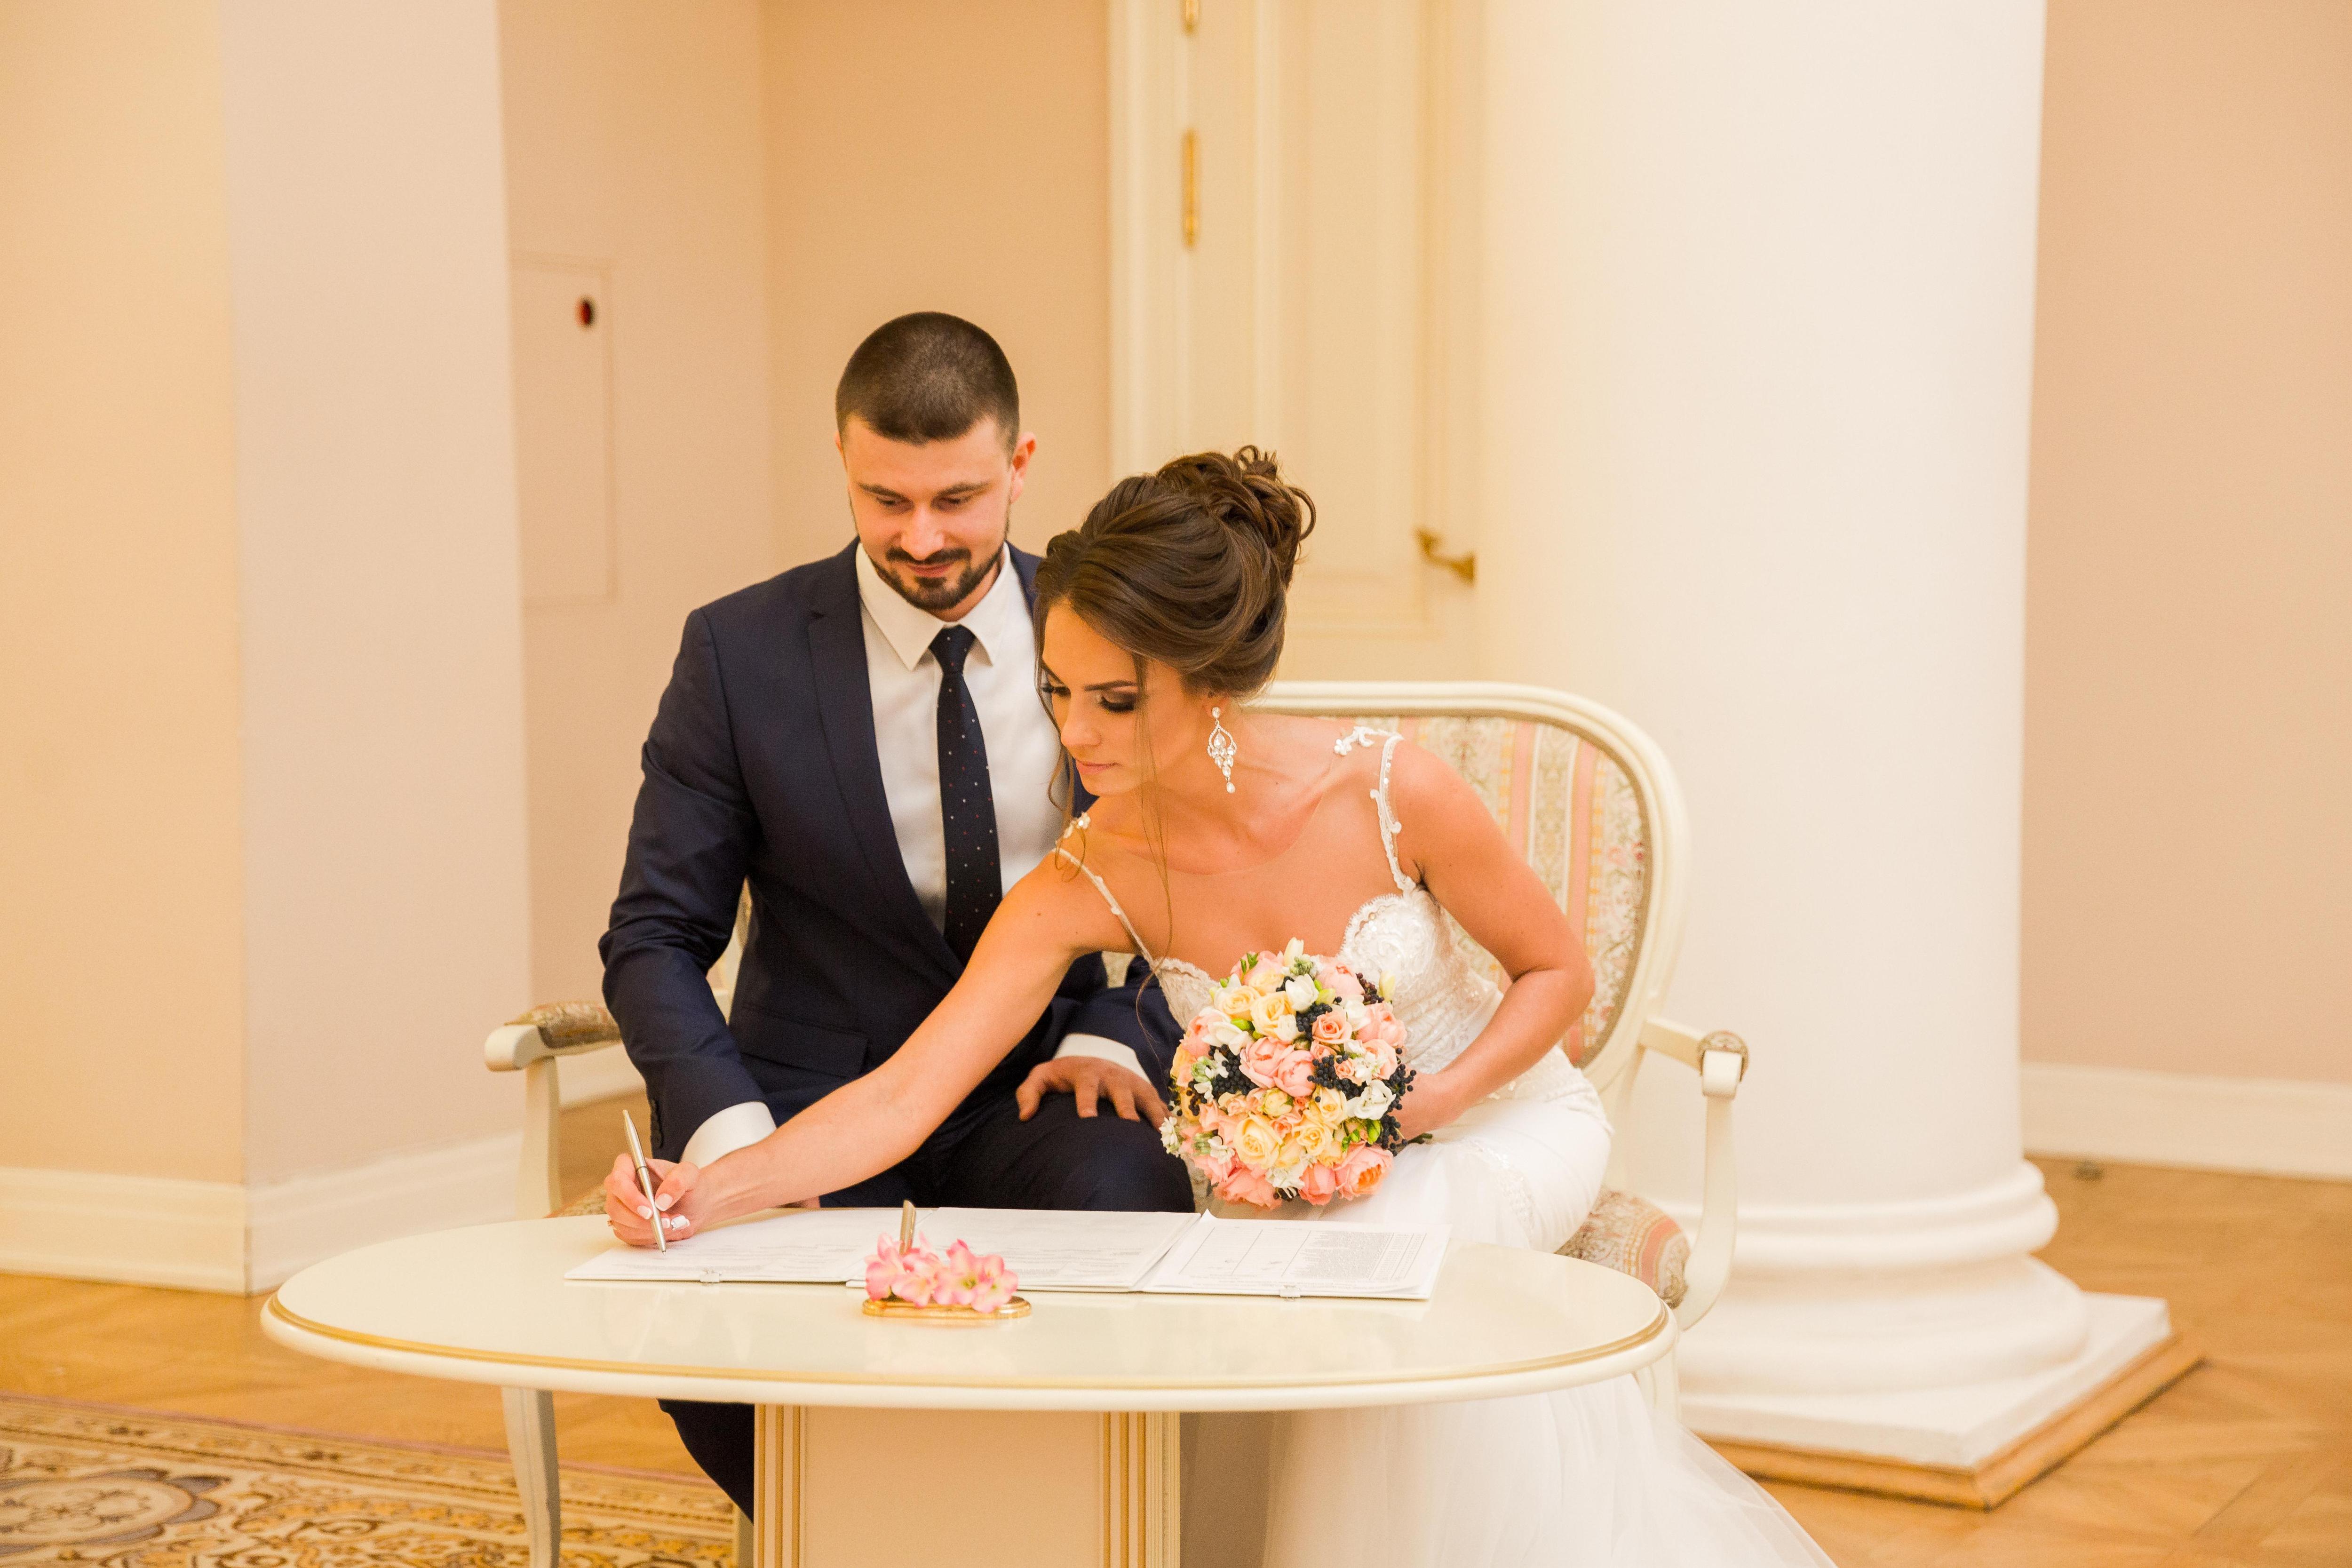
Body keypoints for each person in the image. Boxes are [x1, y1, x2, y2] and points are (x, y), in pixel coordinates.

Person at [607, 446, 1836, 1566]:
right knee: (1269, 1265)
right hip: (1314, 1180)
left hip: (1503, 1119)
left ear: (1210, 682)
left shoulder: (1391, 790)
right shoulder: (1092, 872)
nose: (1074, 731)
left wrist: (1424, 1103)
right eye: (1057, 690)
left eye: (1114, 700)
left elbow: (1558, 975)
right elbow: (905, 1093)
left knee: (1369, 1251)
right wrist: (707, 1191)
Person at [598, 311, 1193, 1515]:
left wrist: (1115, 1032)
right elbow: (655, 934)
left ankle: (1042, 1527)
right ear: (842, 460)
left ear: (1021, 464)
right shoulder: (737, 652)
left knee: (1133, 1202)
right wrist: (732, 1140)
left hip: (1042, 1084)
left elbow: (1188, 876)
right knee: (711, 1335)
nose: (922, 537)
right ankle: (862, 1532)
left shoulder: (1113, 636)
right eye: (887, 500)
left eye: (958, 499)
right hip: (804, 1089)